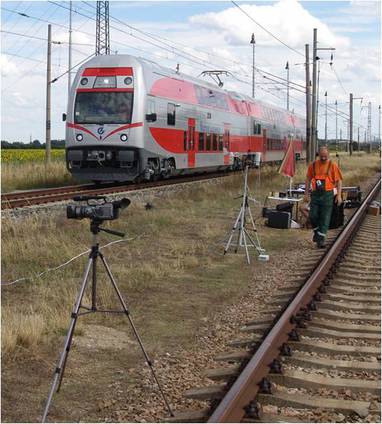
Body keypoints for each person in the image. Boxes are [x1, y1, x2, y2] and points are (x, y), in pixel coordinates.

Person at [304, 146, 343, 248]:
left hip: (328, 195)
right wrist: (306, 194)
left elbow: (339, 181)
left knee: (325, 218)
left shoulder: (332, 165)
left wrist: (338, 195)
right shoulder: (313, 165)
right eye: (321, 156)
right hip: (316, 195)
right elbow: (308, 179)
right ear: (318, 155)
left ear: (328, 155)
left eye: (325, 156)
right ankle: (317, 233)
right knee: (313, 216)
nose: (323, 158)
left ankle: (320, 241)